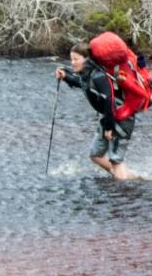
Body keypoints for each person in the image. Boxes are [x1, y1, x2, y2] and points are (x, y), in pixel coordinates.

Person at [55, 41, 138, 180]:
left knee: (116, 160)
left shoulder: (99, 76)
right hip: (108, 118)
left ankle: (123, 191)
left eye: (76, 59)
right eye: (71, 59)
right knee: (95, 155)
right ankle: (127, 179)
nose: (72, 63)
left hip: (121, 119)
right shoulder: (88, 74)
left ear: (86, 59)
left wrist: (109, 127)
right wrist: (65, 77)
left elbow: (109, 100)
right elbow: (82, 84)